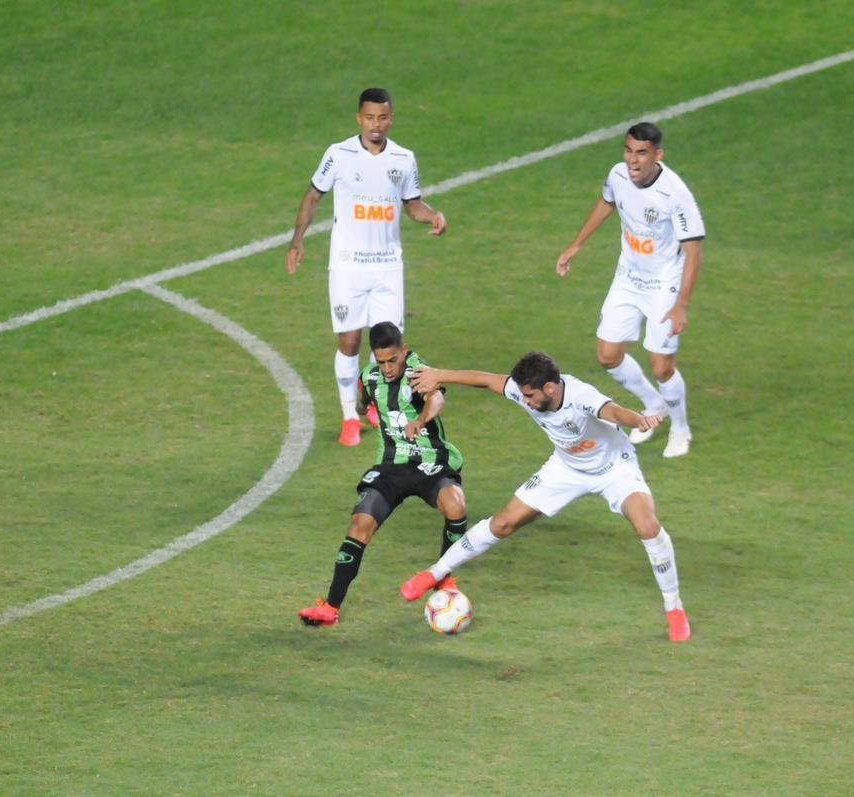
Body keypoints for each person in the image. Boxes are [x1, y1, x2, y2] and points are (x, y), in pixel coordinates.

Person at [400, 352, 690, 642]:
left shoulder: (580, 394)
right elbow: (486, 380)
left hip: (614, 467)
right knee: (502, 523)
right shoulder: (526, 389)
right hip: (565, 469)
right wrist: (439, 373)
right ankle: (433, 573)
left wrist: (638, 419)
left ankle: (674, 609)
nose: (524, 400)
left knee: (647, 526)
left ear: (550, 388)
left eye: (529, 395)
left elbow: (612, 411)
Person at [286, 87, 448, 447]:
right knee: (350, 340)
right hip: (347, 266)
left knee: (388, 345)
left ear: (391, 118)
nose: (376, 125)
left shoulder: (404, 158)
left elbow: (413, 204)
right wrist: (298, 239)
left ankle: (373, 403)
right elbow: (313, 195)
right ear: (359, 118)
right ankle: (349, 418)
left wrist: (432, 216)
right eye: (370, 118)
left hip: (388, 267)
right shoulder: (339, 154)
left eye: (383, 118)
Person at [299, 321, 467, 627]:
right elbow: (365, 402)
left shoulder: (418, 370)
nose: (389, 368)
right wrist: (363, 409)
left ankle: (444, 580)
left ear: (404, 350)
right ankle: (330, 607)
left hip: (430, 460)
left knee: (456, 505)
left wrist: (421, 419)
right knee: (360, 523)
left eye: (393, 360)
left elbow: (436, 397)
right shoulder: (371, 377)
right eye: (382, 361)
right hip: (391, 465)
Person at [555, 122, 705, 458]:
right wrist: (576, 244)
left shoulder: (675, 194)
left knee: (661, 365)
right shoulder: (618, 175)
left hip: (664, 283)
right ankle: (654, 405)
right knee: (608, 355)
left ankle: (681, 429)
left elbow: (694, 251)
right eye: (628, 150)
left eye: (641, 153)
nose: (633, 160)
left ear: (657, 155)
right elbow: (607, 202)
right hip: (628, 276)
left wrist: (681, 304)